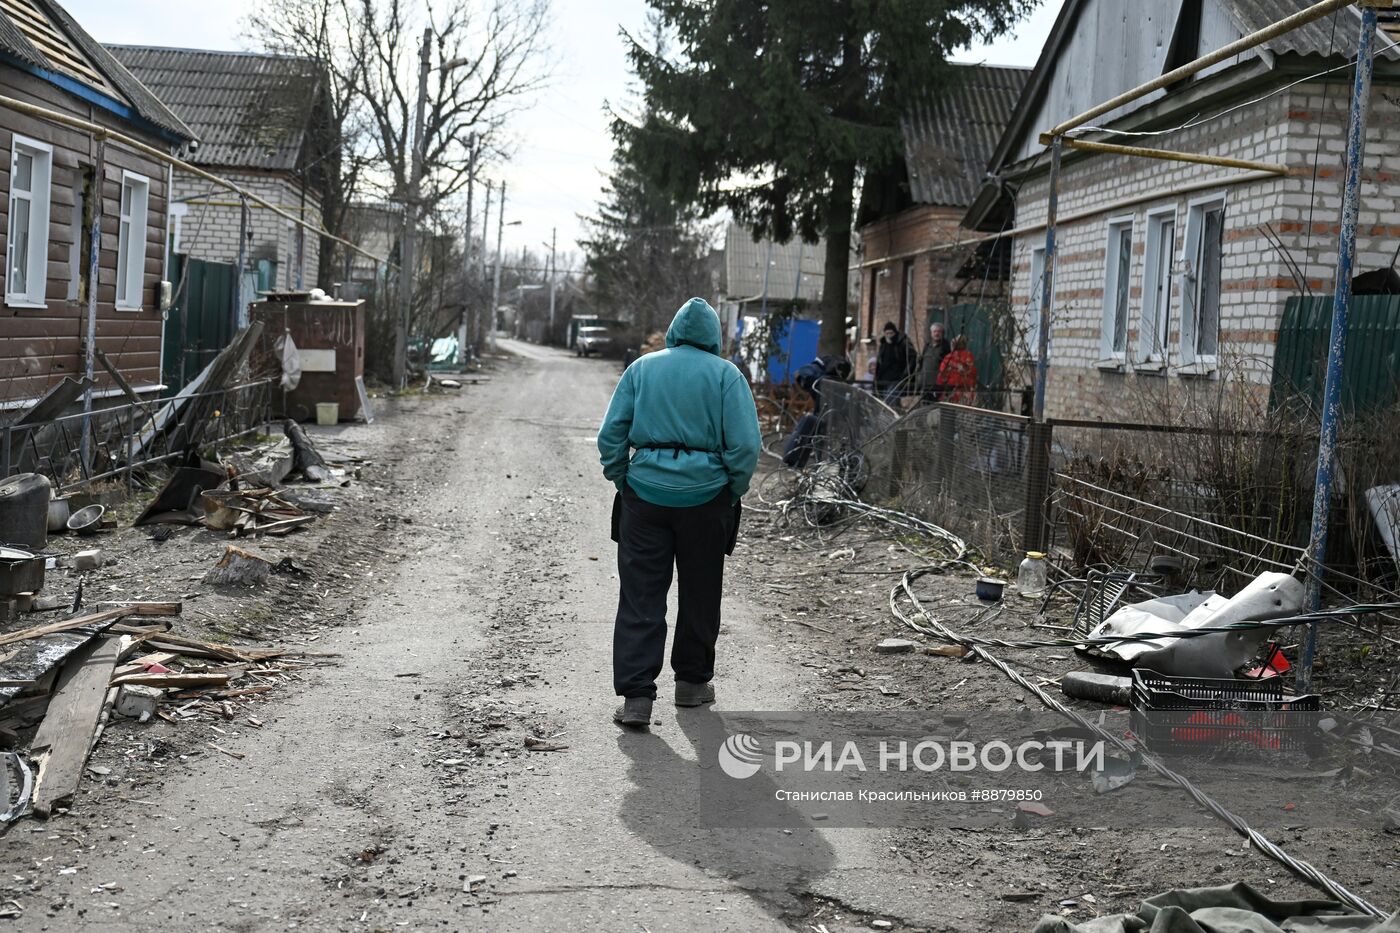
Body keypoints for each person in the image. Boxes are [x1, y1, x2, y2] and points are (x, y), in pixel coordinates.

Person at [597, 297, 762, 727]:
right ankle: (690, 685)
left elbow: (611, 434)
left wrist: (623, 478)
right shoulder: (727, 376)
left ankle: (637, 698)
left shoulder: (642, 369)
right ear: (714, 338)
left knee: (640, 595)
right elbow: (745, 447)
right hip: (706, 501)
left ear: (672, 332)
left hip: (645, 497)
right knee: (701, 592)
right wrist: (730, 489)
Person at [874, 321, 916, 407]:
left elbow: (912, 357)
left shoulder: (903, 342)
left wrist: (906, 374)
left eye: (891, 333)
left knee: (892, 399)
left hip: (897, 377)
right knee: (885, 400)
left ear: (895, 333)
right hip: (884, 377)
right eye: (887, 333)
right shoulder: (883, 344)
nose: (889, 335)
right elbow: (879, 361)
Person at [936, 334, 978, 405]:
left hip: (950, 388)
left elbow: (942, 373)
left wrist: (940, 385)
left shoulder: (949, 357)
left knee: (947, 410)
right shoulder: (969, 356)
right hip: (964, 389)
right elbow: (973, 373)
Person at [916, 322, 951, 404]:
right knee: (924, 405)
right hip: (925, 383)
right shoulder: (927, 346)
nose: (937, 333)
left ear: (942, 333)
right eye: (934, 331)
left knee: (934, 406)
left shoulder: (945, 347)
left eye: (939, 331)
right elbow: (922, 363)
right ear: (931, 333)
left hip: (937, 384)